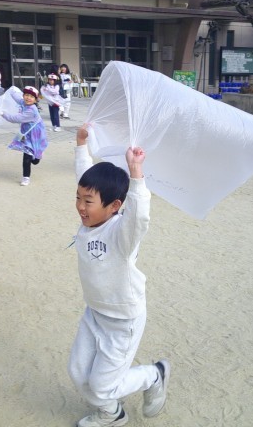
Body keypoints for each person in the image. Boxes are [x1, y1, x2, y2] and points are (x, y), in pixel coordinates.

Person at [68, 124, 170, 427]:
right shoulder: (90, 220)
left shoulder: (122, 235)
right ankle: (113, 413)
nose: (81, 207)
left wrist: (136, 172)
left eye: (88, 202)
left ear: (114, 206)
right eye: (78, 198)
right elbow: (84, 177)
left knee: (102, 386)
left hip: (123, 321)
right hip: (94, 313)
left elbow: (138, 216)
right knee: (78, 373)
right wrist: (81, 144)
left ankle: (154, 375)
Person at [0, 86, 48, 186]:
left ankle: (37, 155)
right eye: (26, 95)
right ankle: (26, 177)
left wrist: (2, 113)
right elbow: (17, 97)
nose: (28, 98)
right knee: (26, 156)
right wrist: (12, 90)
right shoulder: (23, 102)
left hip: (36, 135)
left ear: (35, 100)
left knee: (35, 161)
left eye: (31, 96)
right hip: (26, 135)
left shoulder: (31, 110)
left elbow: (15, 119)